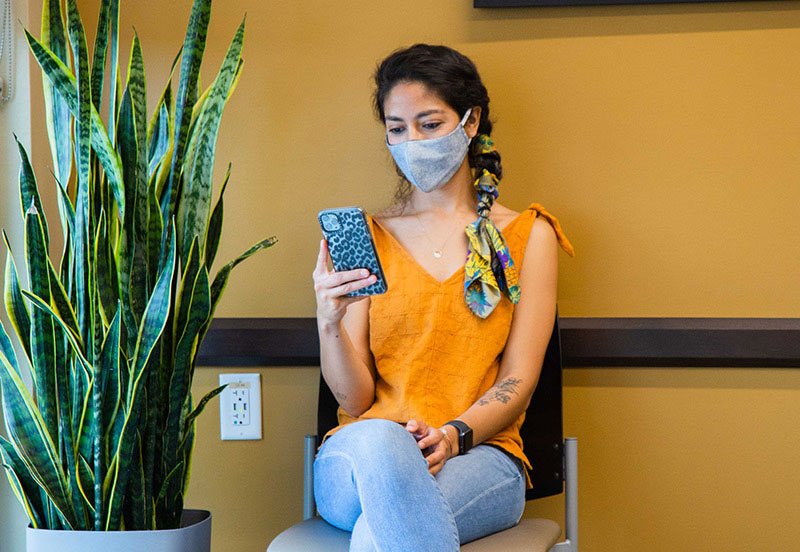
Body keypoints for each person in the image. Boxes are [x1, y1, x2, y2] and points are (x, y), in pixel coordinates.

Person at [311, 43, 574, 551]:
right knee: (384, 442)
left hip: (482, 458)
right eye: (397, 128)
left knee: (376, 533)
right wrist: (328, 322)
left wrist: (453, 435)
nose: (411, 141)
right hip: (359, 455)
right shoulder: (367, 236)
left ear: (470, 122)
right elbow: (356, 401)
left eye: (429, 124)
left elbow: (518, 379)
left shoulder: (527, 235)